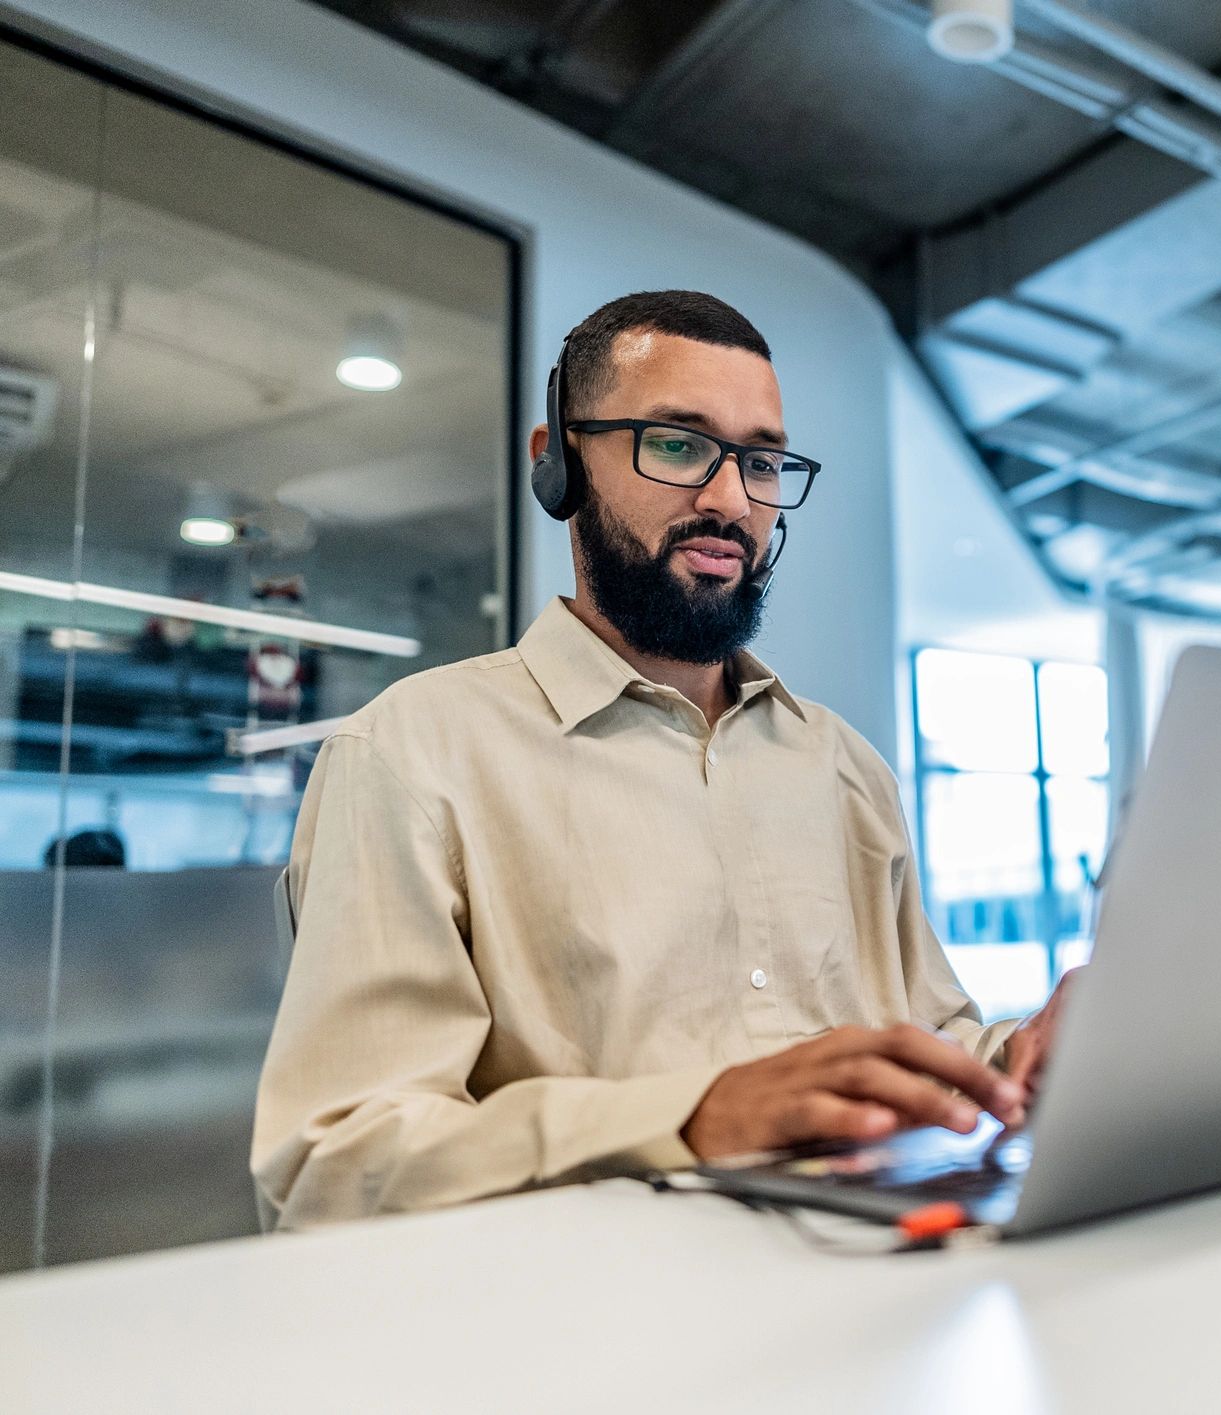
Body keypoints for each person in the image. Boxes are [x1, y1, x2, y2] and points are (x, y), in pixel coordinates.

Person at [252, 291, 1070, 1229]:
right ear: (556, 463)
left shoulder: (846, 769)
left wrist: (1026, 1058)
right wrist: (693, 1117)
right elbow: (333, 1160)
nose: (730, 500)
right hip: (595, 1339)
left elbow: (930, 1042)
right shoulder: (410, 754)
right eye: (677, 445)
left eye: (760, 461)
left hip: (870, 1297)